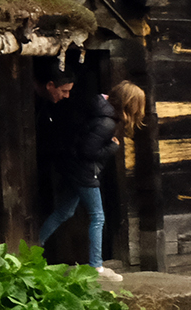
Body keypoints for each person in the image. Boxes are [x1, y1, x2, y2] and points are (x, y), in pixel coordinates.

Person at [34, 76, 124, 263]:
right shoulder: (107, 123)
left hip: (75, 169)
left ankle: (33, 246)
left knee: (64, 212)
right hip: (85, 173)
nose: (67, 95)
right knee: (98, 217)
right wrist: (112, 147)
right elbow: (88, 151)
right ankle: (96, 266)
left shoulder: (98, 111)